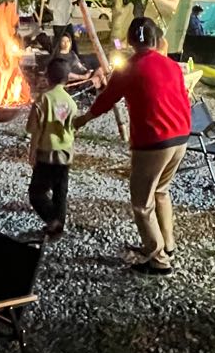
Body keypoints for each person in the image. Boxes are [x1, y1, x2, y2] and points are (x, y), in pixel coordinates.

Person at [75, 17, 191, 276]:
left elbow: (106, 100)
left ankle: (159, 260)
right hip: (181, 136)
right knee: (161, 191)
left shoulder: (130, 67)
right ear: (155, 40)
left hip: (154, 140)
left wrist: (81, 120)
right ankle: (166, 245)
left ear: (129, 40)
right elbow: (183, 98)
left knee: (141, 203)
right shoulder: (172, 65)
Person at [27, 57, 79, 239]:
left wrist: (32, 151)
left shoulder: (43, 100)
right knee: (60, 192)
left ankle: (52, 220)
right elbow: (72, 128)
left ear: (47, 77)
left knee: (36, 193)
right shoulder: (71, 102)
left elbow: (34, 129)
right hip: (65, 154)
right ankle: (57, 229)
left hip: (46, 154)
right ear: (67, 79)